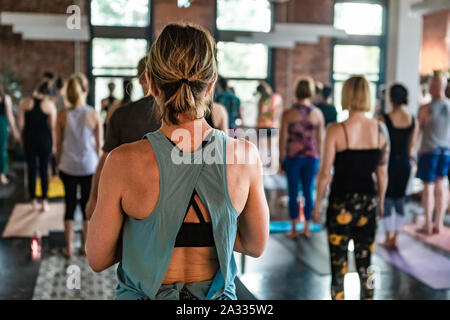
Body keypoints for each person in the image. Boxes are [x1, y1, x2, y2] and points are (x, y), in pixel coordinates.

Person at [86, 23, 269, 300]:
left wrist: (150, 237)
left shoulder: (122, 162)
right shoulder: (245, 157)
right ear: (210, 85)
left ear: (151, 84)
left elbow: (98, 257)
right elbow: (255, 245)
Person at [312, 76, 389, 300]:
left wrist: (318, 205)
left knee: (339, 267)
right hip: (368, 203)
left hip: (340, 204)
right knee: (367, 265)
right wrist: (381, 203)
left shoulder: (336, 130)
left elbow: (325, 173)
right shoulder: (380, 131)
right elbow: (382, 173)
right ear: (367, 96)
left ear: (346, 95)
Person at [85, 56, 161, 219]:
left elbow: (104, 160)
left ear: (142, 79)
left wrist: (94, 199)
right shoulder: (178, 116)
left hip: (128, 200)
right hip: (167, 202)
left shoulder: (122, 115)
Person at [56, 72, 102, 258]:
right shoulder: (93, 113)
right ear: (85, 91)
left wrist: (57, 165)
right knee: (86, 206)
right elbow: (100, 146)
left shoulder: (61, 115)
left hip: (67, 165)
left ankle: (69, 248)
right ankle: (85, 247)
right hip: (88, 166)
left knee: (68, 205)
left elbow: (58, 145)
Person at [279, 77, 325, 239]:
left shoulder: (288, 113)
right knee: (308, 191)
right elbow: (320, 141)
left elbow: (282, 139)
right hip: (312, 158)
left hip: (293, 158)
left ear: (296, 91)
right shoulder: (317, 114)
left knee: (293, 192)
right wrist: (322, 161)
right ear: (311, 93)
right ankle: (306, 227)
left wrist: (280, 160)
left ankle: (293, 228)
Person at [379, 84, 419, 250]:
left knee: (388, 199)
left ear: (391, 99)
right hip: (404, 163)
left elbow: (381, 145)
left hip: (389, 163)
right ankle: (395, 237)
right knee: (400, 200)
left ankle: (388, 236)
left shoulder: (384, 119)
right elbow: (411, 146)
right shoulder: (412, 119)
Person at [416, 73, 450, 235]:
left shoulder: (426, 108)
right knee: (441, 186)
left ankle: (429, 224)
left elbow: (417, 130)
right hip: (445, 152)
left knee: (429, 187)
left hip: (430, 151)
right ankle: (438, 223)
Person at [18, 82, 56, 211]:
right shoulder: (49, 105)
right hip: (44, 140)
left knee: (31, 169)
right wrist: (55, 144)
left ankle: (33, 200)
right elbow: (53, 128)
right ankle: (45, 201)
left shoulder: (25, 103)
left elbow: (21, 124)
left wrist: (21, 138)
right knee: (44, 170)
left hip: (29, 140)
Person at [0, 83, 20, 185]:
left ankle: (2, 174)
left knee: (2, 149)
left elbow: (10, 115)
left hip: (2, 124)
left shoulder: (5, 98)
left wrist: (15, 130)